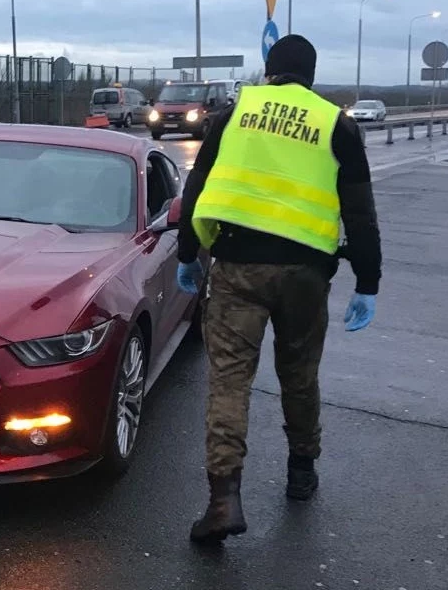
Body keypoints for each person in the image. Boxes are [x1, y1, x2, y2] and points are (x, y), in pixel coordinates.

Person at [174, 34, 383, 544]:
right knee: (300, 375)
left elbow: (197, 185)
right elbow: (359, 212)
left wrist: (186, 255)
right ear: (311, 76)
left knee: (229, 382)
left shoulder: (235, 113)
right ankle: (301, 473)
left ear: (269, 71)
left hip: (238, 269)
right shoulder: (336, 124)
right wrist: (368, 282)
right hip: (307, 276)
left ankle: (224, 501)